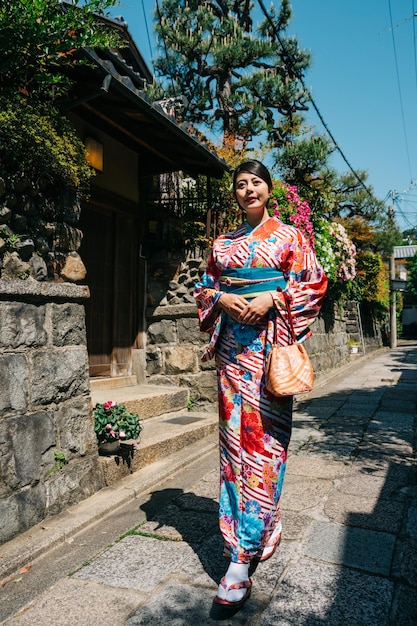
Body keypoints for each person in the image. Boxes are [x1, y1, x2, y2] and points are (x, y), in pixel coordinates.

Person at [193, 160, 328, 609]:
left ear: (270, 190)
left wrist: (274, 295)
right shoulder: (223, 242)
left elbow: (313, 282)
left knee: (266, 444)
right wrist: (222, 297)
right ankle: (242, 542)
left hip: (268, 353)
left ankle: (247, 547)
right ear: (234, 194)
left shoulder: (290, 236)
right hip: (233, 354)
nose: (247, 189)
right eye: (240, 184)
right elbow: (205, 287)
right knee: (234, 446)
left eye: (255, 182)